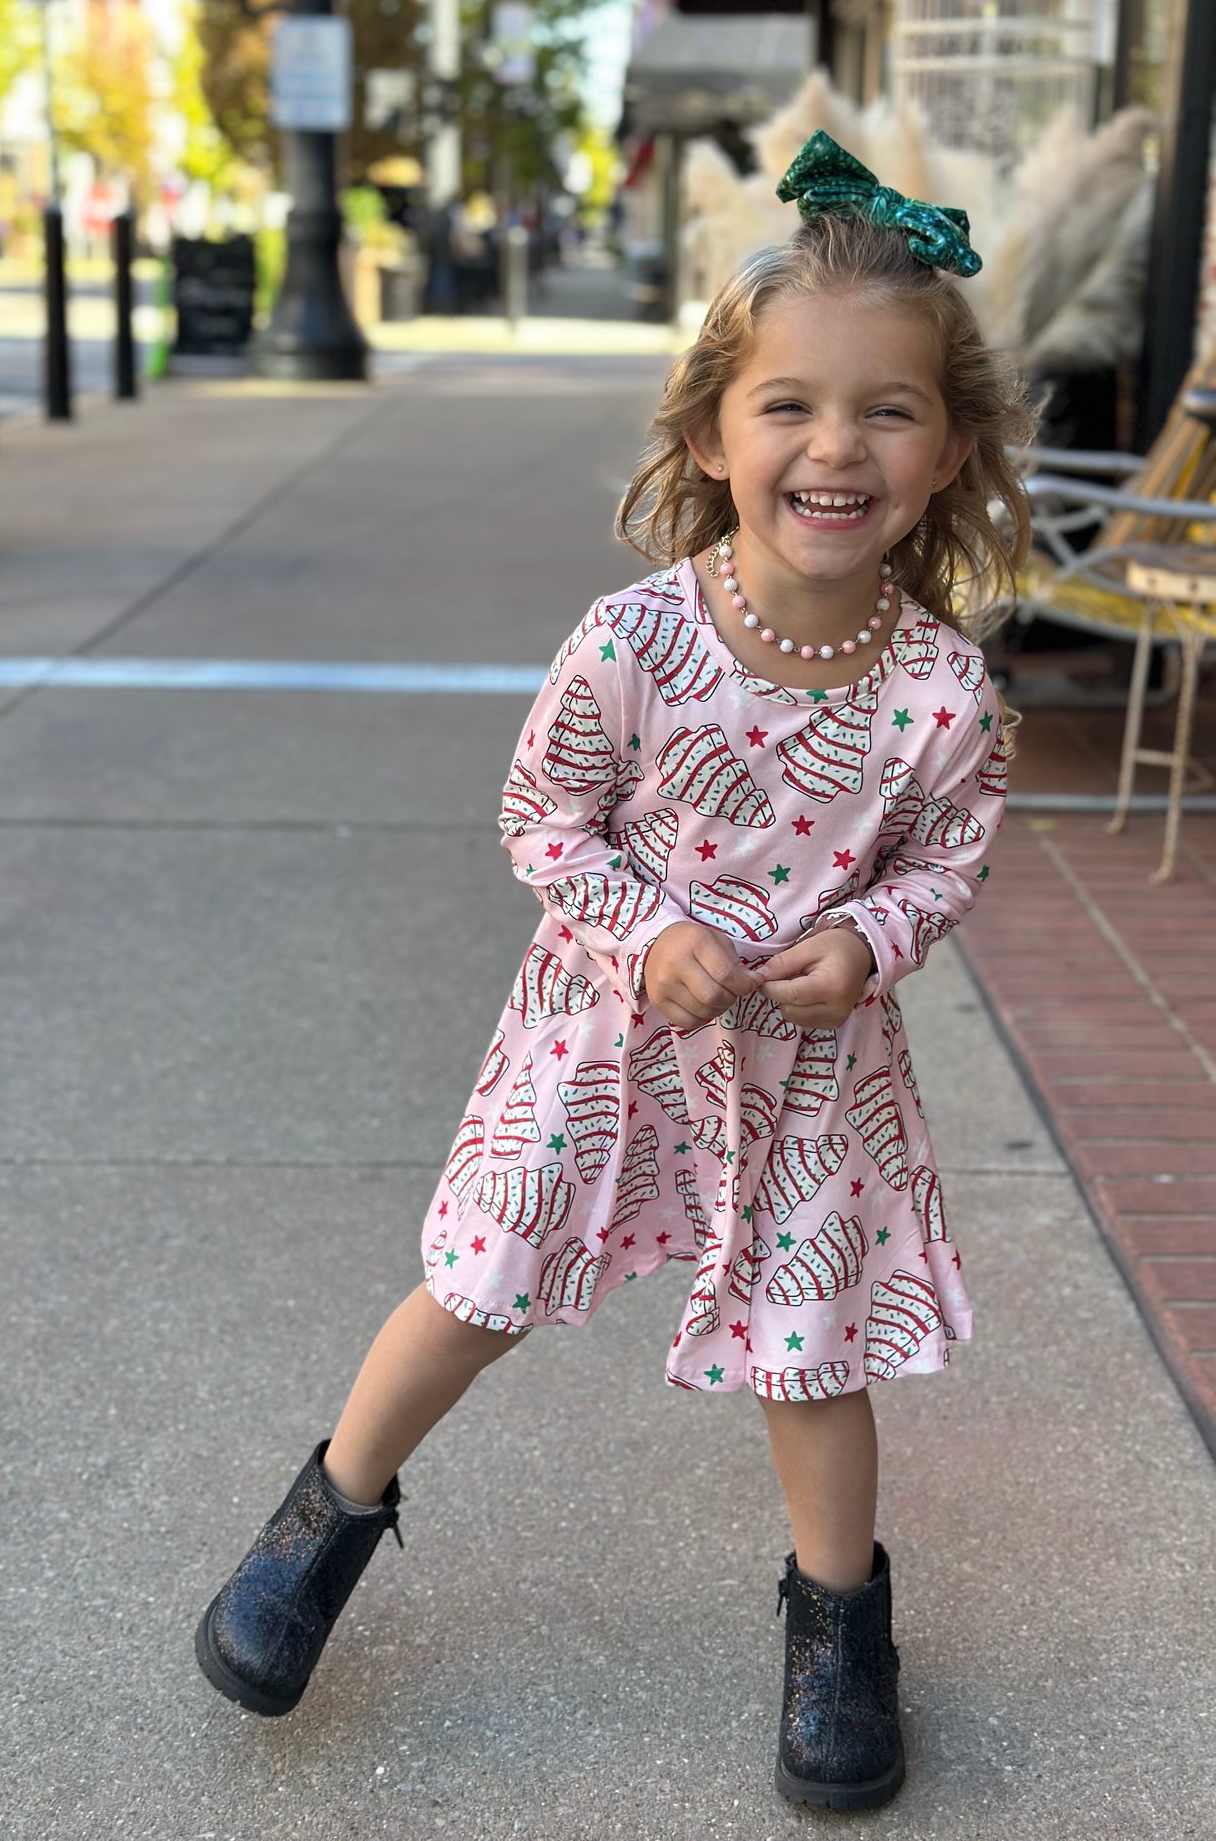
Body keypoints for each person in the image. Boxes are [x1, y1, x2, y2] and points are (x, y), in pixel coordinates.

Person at [194, 132, 1039, 1813]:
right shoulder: (632, 641)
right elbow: (541, 811)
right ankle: (325, 1517)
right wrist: (640, 929)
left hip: (814, 1071)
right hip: (597, 1041)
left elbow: (947, 857)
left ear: (947, 452)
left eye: (886, 410)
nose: (833, 443)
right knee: (479, 1283)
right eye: (787, 403)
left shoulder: (946, 693)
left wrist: (866, 941)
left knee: (815, 1349)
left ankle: (839, 1629)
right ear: (715, 432)